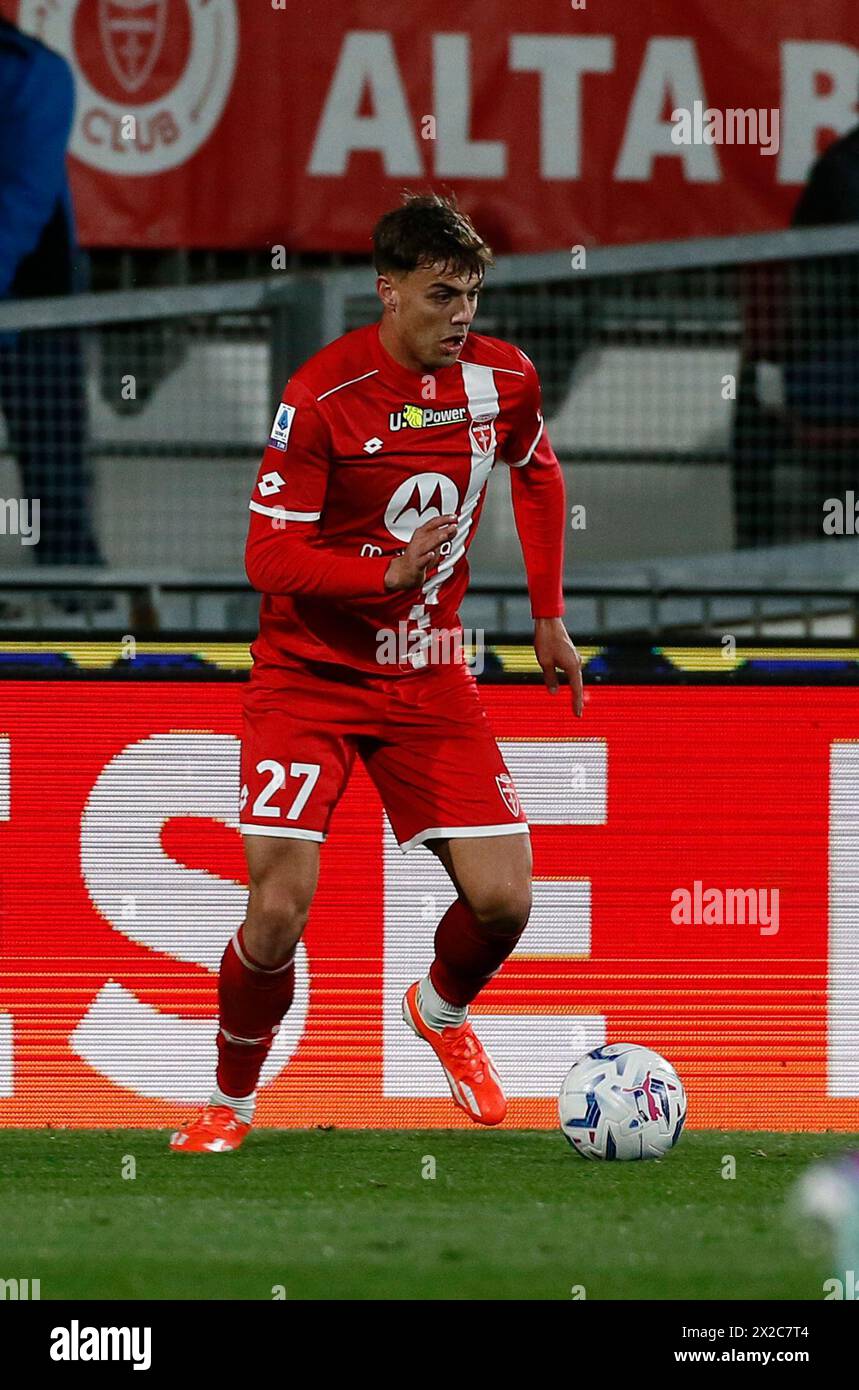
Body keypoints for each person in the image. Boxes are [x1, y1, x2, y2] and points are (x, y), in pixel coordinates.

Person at [170, 194, 582, 1153]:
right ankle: (227, 1103)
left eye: (472, 295)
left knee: (506, 900)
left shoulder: (503, 379)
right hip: (307, 677)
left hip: (428, 674)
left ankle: (438, 1011)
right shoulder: (319, 396)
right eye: (442, 295)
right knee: (275, 912)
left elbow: (539, 471)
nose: (461, 316)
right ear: (387, 291)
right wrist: (381, 574)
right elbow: (266, 559)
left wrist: (549, 616)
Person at [0, 15, 102, 567]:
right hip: (32, 301)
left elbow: (23, 199)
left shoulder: (33, 71)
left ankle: (81, 627)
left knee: (57, 491)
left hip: (37, 313)